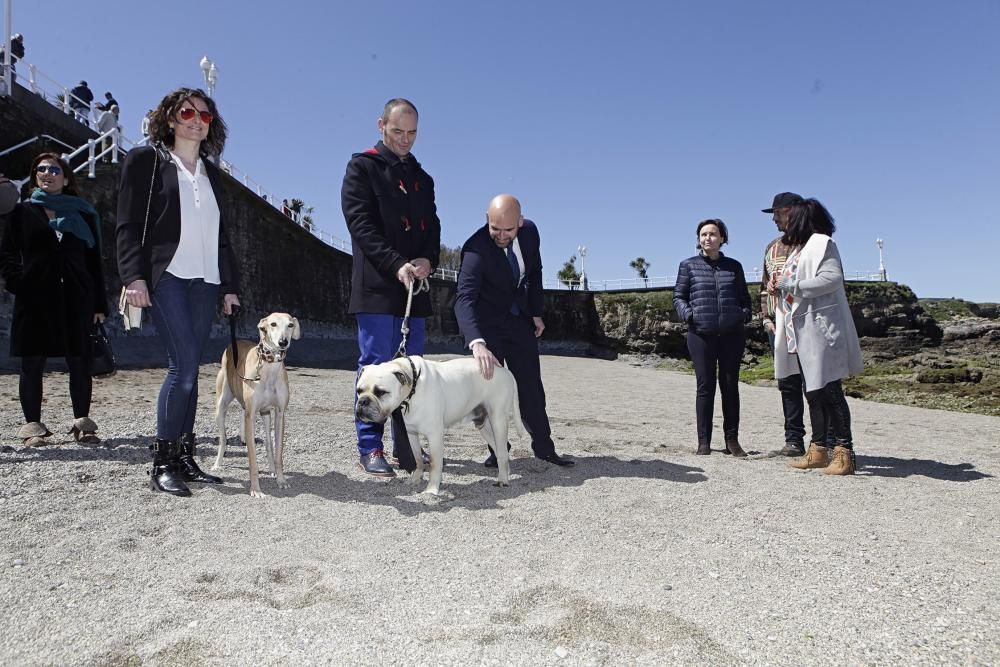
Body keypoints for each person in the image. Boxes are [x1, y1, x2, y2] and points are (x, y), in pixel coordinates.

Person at [116, 87, 241, 497]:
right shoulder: (147, 161)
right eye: (187, 112)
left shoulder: (213, 174)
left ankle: (185, 457)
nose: (195, 119)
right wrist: (133, 277)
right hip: (166, 275)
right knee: (182, 368)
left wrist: (229, 285)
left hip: (205, 282)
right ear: (170, 118)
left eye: (205, 116)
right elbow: (129, 224)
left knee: (191, 368)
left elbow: (222, 237)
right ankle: (162, 461)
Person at [341, 98, 440, 477]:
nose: (405, 140)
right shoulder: (362, 167)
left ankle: (406, 446)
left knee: (411, 372)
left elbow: (433, 228)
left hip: (414, 291)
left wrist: (428, 260)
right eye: (398, 131)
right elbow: (360, 225)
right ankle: (370, 447)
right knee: (375, 369)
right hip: (377, 287)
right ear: (381, 125)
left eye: (412, 133)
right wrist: (395, 263)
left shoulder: (423, 177)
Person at [454, 194, 574, 468]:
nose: (501, 235)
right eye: (495, 229)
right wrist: (476, 343)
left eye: (508, 230)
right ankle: (499, 450)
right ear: (487, 220)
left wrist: (535, 312)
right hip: (487, 327)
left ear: (520, 222)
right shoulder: (475, 249)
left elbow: (535, 272)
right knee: (488, 395)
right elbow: (464, 299)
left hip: (519, 320)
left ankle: (544, 448)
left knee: (532, 388)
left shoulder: (530, 233)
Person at [0, 154, 107, 447]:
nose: (47, 173)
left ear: (66, 177)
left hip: (76, 297)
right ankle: (33, 427)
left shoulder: (84, 214)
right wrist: (20, 283)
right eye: (41, 169)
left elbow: (93, 261)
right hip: (34, 299)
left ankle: (82, 424)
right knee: (32, 364)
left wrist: (99, 304)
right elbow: (7, 255)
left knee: (80, 362)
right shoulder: (21, 213)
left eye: (54, 169)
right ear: (35, 176)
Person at [775, 199, 863, 475]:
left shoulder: (823, 244)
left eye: (791, 217)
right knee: (812, 391)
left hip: (820, 330)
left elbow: (832, 279)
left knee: (830, 390)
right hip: (801, 331)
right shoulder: (800, 250)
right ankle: (818, 449)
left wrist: (793, 285)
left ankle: (844, 453)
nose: (785, 222)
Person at [673, 219, 752, 457]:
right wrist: (690, 316)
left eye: (713, 234)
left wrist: (742, 316)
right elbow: (679, 297)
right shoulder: (688, 266)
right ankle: (704, 442)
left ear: (722, 238)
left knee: (730, 387)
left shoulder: (734, 267)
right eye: (703, 234)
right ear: (698, 239)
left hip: (731, 335)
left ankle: (732, 441)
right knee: (705, 388)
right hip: (700, 335)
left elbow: (745, 299)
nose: (708, 238)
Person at [760, 192, 807, 456]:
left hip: (804, 323)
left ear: (791, 211)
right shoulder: (771, 247)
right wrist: (765, 318)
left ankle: (825, 441)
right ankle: (794, 440)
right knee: (787, 382)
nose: (774, 218)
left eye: (777, 213)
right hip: (777, 324)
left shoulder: (810, 244)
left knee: (815, 382)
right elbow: (763, 286)